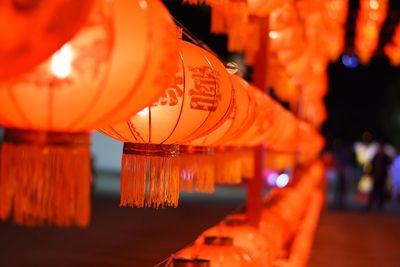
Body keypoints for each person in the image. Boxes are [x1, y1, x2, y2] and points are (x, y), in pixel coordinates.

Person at [367, 141, 392, 211]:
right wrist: (371, 173)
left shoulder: (385, 156)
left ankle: (379, 206)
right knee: (374, 191)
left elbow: (390, 163)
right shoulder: (376, 156)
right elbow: (371, 165)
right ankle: (370, 205)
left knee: (381, 192)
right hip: (376, 176)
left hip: (382, 176)